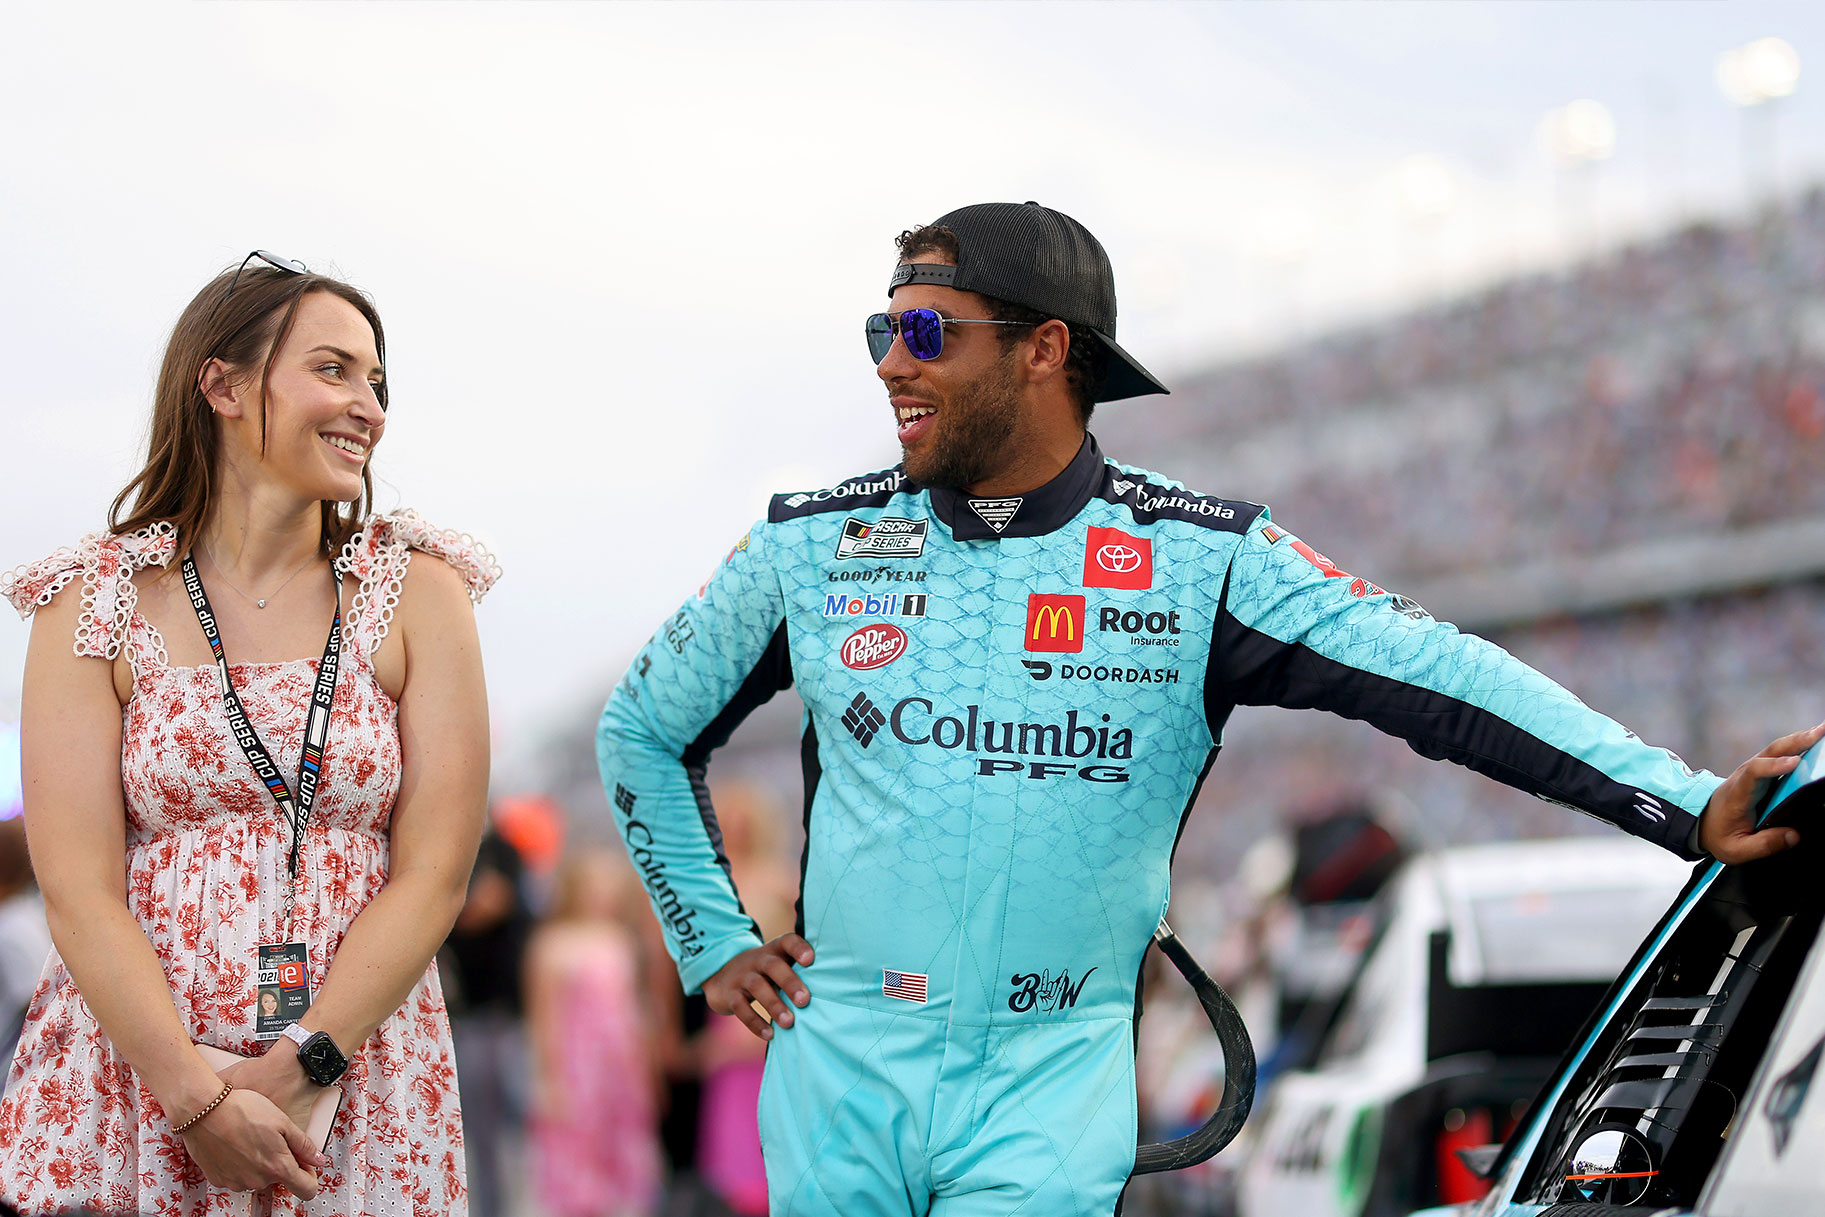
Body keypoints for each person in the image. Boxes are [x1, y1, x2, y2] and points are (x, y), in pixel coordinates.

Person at [595, 202, 1819, 1217]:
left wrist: (1682, 803)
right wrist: (706, 936)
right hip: (838, 1058)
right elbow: (639, 728)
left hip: (1049, 1067)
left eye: (924, 329)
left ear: (1045, 350)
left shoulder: (1204, 558)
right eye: (882, 327)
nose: (888, 360)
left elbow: (1447, 678)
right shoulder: (812, 542)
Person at [0, 252, 498, 1215]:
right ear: (221, 384)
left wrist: (302, 1065)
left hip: (357, 1072)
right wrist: (195, 1097)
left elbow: (434, 873)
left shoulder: (418, 593)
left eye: (377, 380)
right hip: (137, 1080)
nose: (369, 406)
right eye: (333, 369)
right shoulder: (89, 602)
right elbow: (77, 885)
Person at [522, 848, 664, 1217]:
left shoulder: (623, 939)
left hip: (622, 1061)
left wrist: (648, 1069)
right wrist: (548, 1078)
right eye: (593, 886)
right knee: (577, 1145)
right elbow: (543, 1018)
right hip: (577, 1065)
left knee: (624, 1145)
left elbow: (638, 1009)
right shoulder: (553, 942)